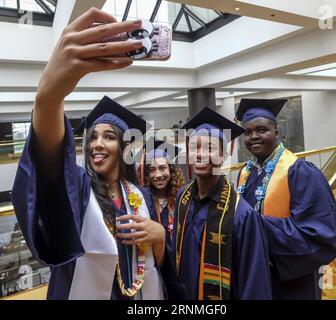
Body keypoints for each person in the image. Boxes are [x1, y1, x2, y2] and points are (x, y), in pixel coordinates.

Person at [11, 8, 167, 300]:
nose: (97, 144)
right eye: (92, 137)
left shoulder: (140, 196)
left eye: (109, 137)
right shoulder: (80, 189)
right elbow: (53, 169)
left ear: (123, 149)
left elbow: (158, 264)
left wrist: (159, 238)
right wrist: (48, 99)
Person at [235, 98, 336, 300]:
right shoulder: (245, 174)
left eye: (261, 129)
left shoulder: (301, 173)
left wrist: (256, 227)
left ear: (276, 131)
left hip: (291, 281)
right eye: (247, 132)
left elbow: (320, 236)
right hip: (254, 276)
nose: (253, 136)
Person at [171, 107, 272, 300]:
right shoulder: (182, 198)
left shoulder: (242, 215)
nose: (200, 155)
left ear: (224, 155)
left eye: (210, 148)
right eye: (194, 148)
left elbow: (254, 285)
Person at [138, 138, 185, 239]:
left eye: (162, 168)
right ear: (146, 174)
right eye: (152, 170)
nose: (158, 175)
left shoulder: (183, 199)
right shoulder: (142, 202)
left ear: (171, 170)